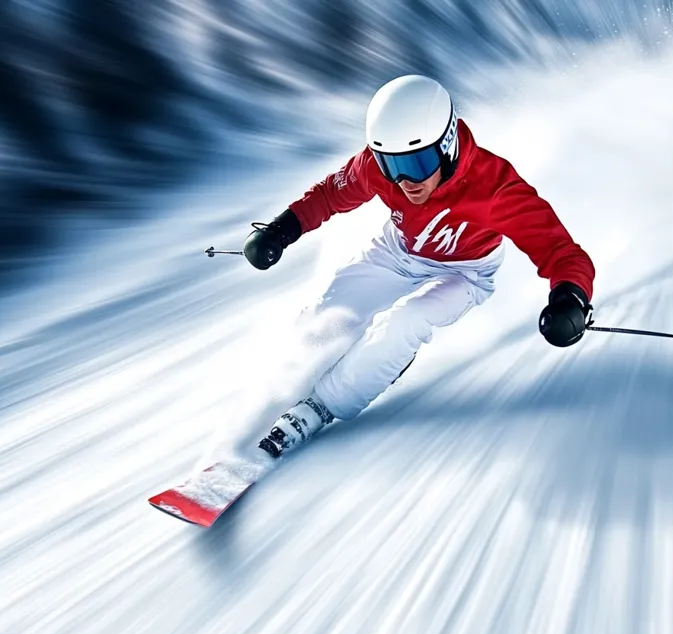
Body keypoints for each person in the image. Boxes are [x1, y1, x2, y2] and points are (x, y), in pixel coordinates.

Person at [242, 74, 595, 460]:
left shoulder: (495, 189)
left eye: (418, 162)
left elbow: (560, 251)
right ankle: (281, 389)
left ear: (446, 146)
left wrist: (570, 299)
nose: (406, 180)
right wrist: (281, 230)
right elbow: (329, 196)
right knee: (331, 317)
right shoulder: (377, 169)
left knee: (405, 322)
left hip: (464, 272)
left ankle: (323, 406)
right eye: (392, 164)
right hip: (397, 252)